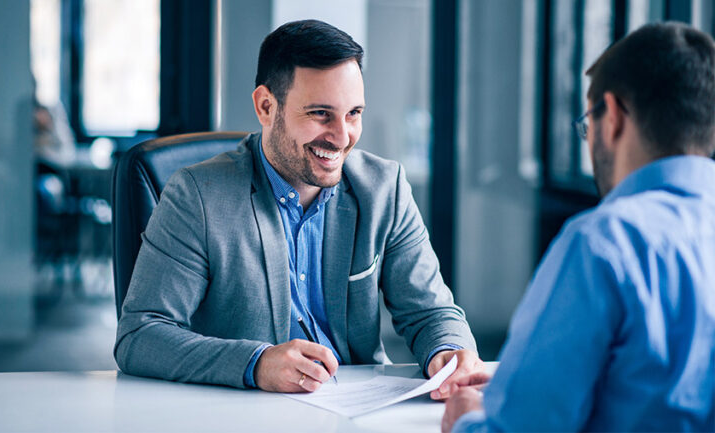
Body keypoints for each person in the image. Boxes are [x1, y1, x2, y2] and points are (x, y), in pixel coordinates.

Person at [115, 19, 483, 394]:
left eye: (354, 113)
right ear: (266, 107)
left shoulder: (384, 188)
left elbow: (432, 312)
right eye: (320, 114)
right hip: (246, 413)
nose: (342, 137)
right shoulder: (197, 196)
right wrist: (255, 364)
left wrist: (450, 350)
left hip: (358, 410)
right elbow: (140, 336)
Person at [443, 22, 715, 432]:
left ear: (615, 116)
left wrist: (465, 419)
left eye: (588, 123)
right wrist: (522, 379)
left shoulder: (605, 242)